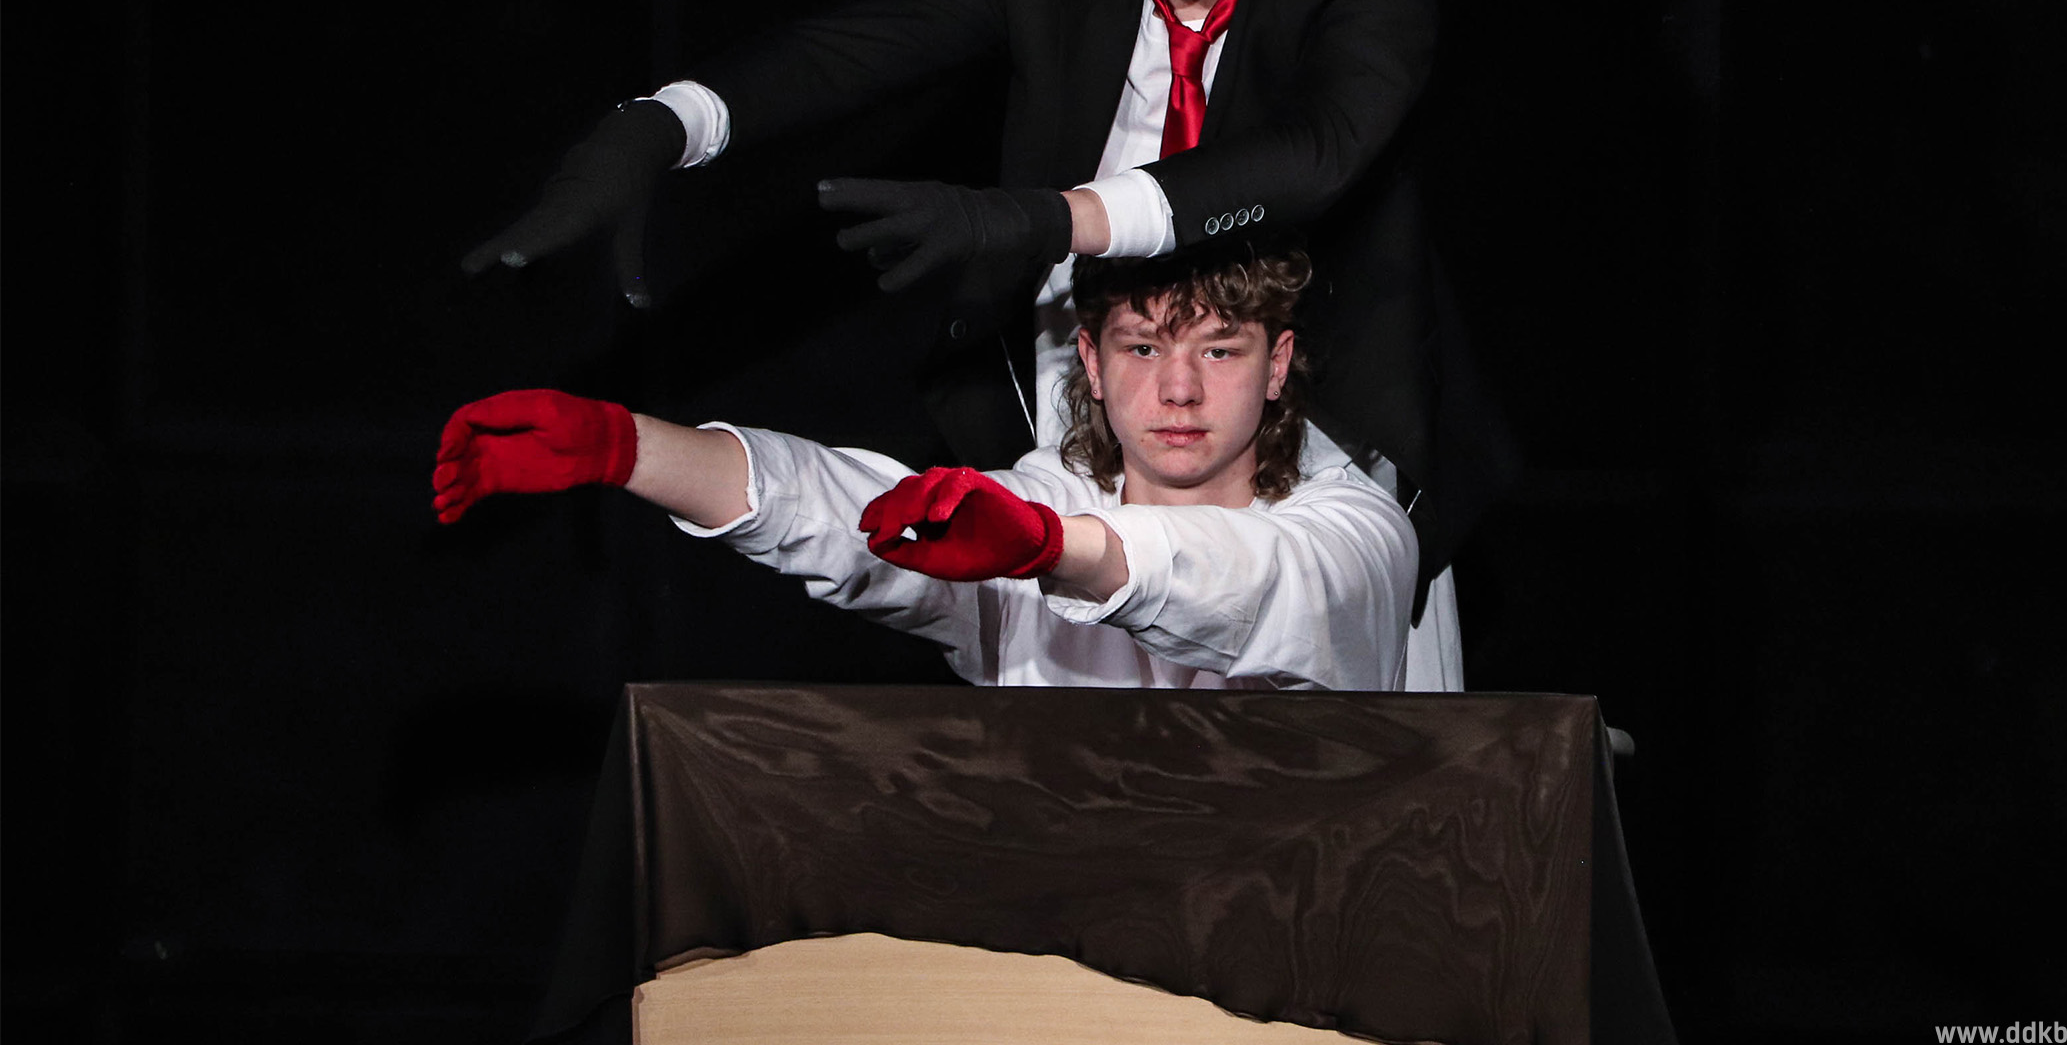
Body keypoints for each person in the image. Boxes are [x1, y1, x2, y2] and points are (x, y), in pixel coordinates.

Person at [461, 0, 1509, 669]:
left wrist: (1051, 220)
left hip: (1310, 452)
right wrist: (662, 124)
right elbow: (868, 45)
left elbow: (1317, 155)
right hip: (1085, 447)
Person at [433, 247, 1433, 691]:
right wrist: (629, 447)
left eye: (1218, 349)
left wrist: (1053, 551)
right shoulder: (1045, 500)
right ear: (1088, 363)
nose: (1178, 389)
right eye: (1141, 347)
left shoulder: (1359, 530)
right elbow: (850, 517)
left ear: (1278, 365)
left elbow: (1253, 581)